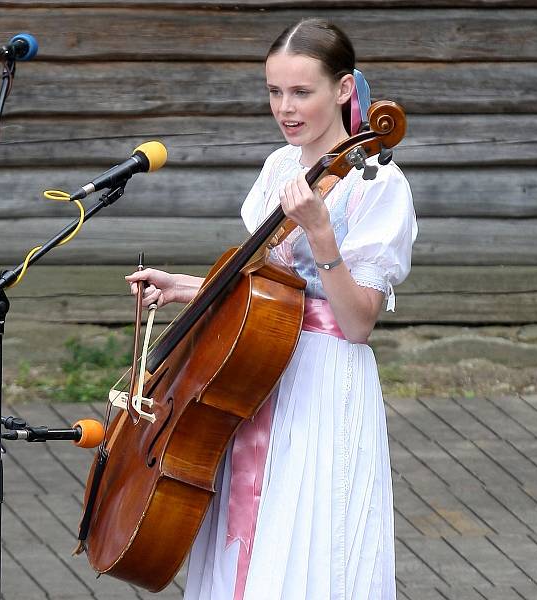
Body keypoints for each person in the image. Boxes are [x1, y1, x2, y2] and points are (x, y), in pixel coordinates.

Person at [125, 18, 417, 600]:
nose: (286, 108)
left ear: (341, 88)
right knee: (249, 533)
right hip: (253, 370)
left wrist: (322, 233)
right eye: (274, 91)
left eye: (301, 92)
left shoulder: (378, 182)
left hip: (321, 381)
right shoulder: (280, 167)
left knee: (307, 538)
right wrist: (187, 287)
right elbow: (268, 285)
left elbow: (358, 323)